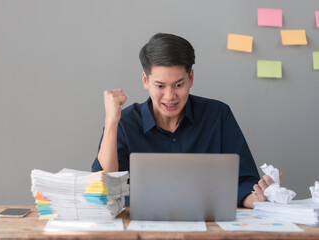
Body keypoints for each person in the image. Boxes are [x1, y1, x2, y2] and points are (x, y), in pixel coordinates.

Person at [91, 33, 279, 208]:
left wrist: (255, 198)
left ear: (191, 78)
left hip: (209, 225)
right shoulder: (126, 122)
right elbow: (105, 187)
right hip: (140, 226)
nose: (170, 96)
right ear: (145, 81)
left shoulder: (218, 115)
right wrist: (111, 120)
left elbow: (244, 180)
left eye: (178, 85)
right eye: (160, 86)